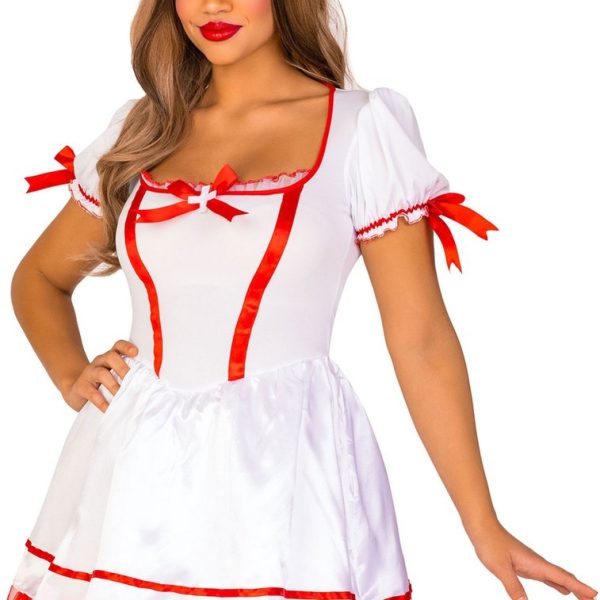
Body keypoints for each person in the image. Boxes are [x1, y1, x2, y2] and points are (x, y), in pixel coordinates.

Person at [7, 1, 598, 600]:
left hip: (284, 472)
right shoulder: (141, 131)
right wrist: (70, 375)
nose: (214, 5)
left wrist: (483, 526)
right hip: (129, 472)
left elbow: (420, 338)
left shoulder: (361, 129)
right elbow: (39, 279)